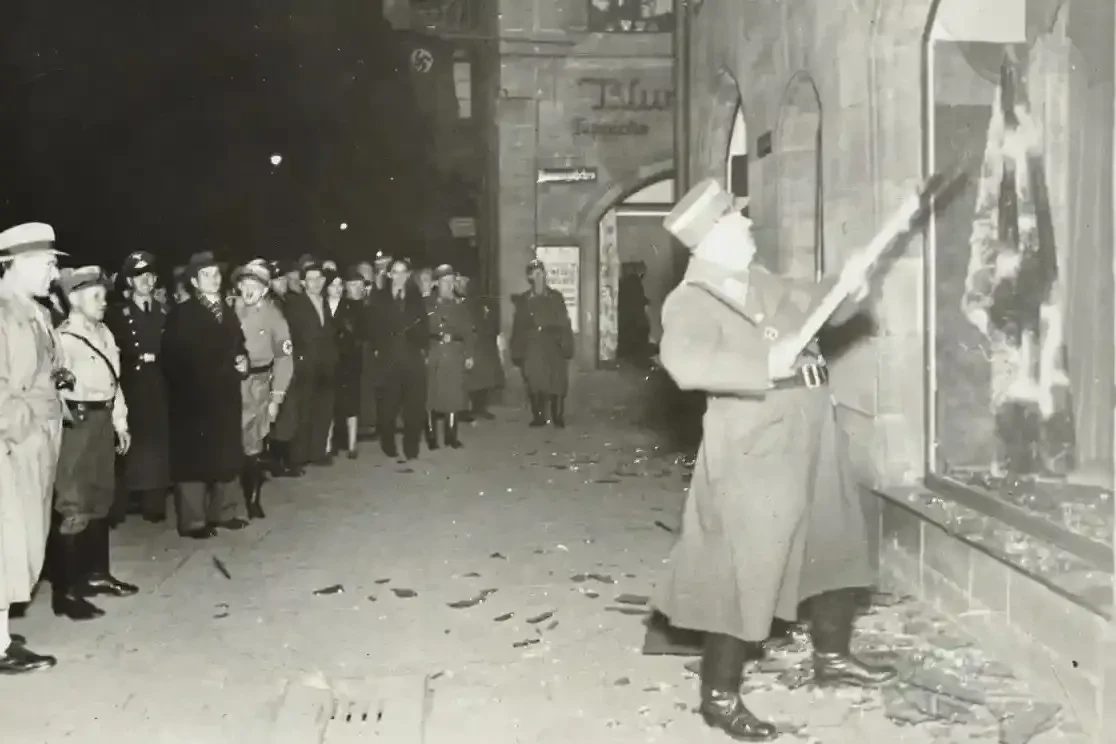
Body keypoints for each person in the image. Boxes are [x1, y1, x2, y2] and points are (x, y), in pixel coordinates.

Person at [653, 179, 896, 741]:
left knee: (834, 539)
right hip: (755, 442)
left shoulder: (759, 280)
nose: (747, 224)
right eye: (735, 220)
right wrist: (766, 363)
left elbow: (820, 303)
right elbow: (685, 363)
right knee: (746, 566)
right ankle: (719, 696)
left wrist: (850, 283)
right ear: (712, 237)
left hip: (812, 427)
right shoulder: (691, 299)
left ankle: (832, 657)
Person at [53, 266, 139, 621]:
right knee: (74, 503)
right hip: (77, 425)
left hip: (103, 420)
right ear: (74, 299)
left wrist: (121, 422)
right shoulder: (62, 339)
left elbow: (114, 383)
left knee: (101, 497)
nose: (104, 302)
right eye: (96, 296)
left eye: (104, 295)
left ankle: (97, 574)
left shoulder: (104, 332)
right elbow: (52, 389)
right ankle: (66, 592)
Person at [0, 222, 66, 673]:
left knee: (21, 539)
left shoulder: (34, 310)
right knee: (7, 543)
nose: (53, 273)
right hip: (12, 446)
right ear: (17, 264)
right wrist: (25, 429)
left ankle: (2, 632)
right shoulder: (4, 314)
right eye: (46, 263)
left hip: (34, 441)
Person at [162, 252, 251, 539]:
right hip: (194, 399)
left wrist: (244, 361)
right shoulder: (181, 314)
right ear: (193, 282)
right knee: (193, 460)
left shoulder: (227, 310)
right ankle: (193, 521)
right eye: (206, 275)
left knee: (226, 453)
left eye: (216, 274)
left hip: (225, 396)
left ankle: (224, 512)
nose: (214, 279)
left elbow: (238, 345)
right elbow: (172, 359)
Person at [104, 251, 172, 525]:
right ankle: (128, 498)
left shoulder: (164, 311)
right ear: (129, 282)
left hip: (158, 383)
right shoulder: (117, 314)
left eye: (150, 275)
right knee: (131, 440)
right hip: (130, 384)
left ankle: (154, 501)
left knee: (157, 440)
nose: (146, 281)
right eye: (138, 276)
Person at [232, 260, 293, 518]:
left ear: (265, 290)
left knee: (253, 443)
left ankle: (252, 499)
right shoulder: (229, 309)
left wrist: (276, 397)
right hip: (229, 383)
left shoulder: (274, 317)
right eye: (245, 284)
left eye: (255, 286)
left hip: (258, 385)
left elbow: (284, 359)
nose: (248, 290)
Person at [276, 261, 337, 468]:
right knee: (303, 410)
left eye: (319, 279)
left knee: (323, 409)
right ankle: (299, 456)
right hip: (306, 365)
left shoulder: (324, 302)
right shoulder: (296, 305)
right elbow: (291, 335)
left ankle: (317, 453)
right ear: (303, 282)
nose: (316, 283)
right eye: (311, 279)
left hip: (325, 366)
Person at [370, 259, 428, 461]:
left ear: (409, 274)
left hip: (412, 358)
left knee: (414, 407)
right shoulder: (380, 297)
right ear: (389, 274)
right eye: (396, 272)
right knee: (388, 406)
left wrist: (421, 345)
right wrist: (379, 348)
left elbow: (424, 324)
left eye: (404, 272)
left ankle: (411, 447)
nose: (400, 276)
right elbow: (374, 327)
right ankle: (388, 443)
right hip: (389, 359)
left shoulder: (415, 297)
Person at [510, 259, 574, 428]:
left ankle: (557, 416)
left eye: (542, 273)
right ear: (530, 277)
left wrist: (567, 345)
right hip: (533, 345)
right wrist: (517, 351)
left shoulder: (556, 297)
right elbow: (518, 327)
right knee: (534, 379)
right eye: (536, 274)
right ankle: (538, 416)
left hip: (554, 343)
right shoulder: (524, 300)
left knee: (557, 380)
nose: (540, 277)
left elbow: (565, 323)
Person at [424, 265, 475, 449]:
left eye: (451, 282)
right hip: (433, 353)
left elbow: (469, 332)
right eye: (444, 282)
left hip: (454, 354)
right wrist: (423, 352)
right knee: (430, 396)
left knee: (453, 396)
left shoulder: (460, 307)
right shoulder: (427, 305)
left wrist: (469, 354)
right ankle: (431, 436)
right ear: (436, 283)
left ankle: (451, 436)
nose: (448, 285)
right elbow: (419, 331)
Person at [326, 268, 365, 458]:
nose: (338, 288)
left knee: (351, 403)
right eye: (333, 285)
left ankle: (352, 445)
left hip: (349, 361)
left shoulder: (352, 307)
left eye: (340, 285)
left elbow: (358, 334)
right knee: (329, 404)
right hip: (328, 361)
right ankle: (327, 445)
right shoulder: (321, 306)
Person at [455, 274, 503, 421]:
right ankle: (472, 409)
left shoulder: (476, 304)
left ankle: (475, 408)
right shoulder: (472, 304)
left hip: (480, 345)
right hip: (478, 344)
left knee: (478, 379)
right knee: (476, 379)